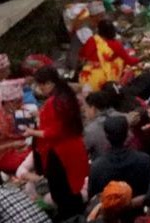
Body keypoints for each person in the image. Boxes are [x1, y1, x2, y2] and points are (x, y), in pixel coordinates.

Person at [30, 65, 88, 220]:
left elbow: (52, 133)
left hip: (60, 153)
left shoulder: (53, 102)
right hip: (74, 148)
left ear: (49, 83)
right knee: (72, 188)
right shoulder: (66, 96)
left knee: (61, 192)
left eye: (41, 84)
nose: (39, 88)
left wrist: (31, 132)